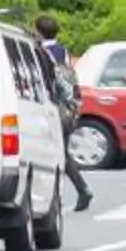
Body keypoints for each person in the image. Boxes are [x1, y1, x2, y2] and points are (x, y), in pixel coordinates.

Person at [36, 15, 92, 212]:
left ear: (38, 32)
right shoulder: (64, 52)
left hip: (54, 109)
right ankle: (77, 191)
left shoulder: (42, 53)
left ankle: (79, 190)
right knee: (61, 152)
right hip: (71, 106)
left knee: (57, 154)